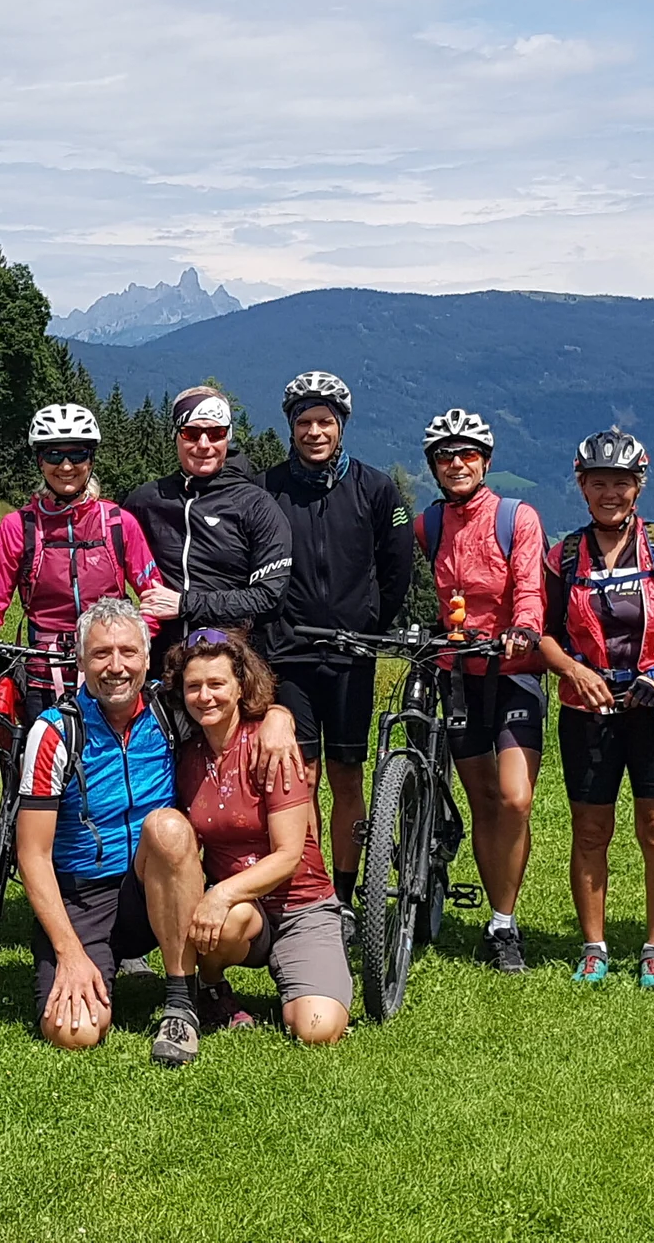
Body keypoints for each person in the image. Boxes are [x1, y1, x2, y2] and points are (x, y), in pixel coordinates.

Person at [537, 428, 654, 991]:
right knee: (590, 830)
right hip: (587, 706)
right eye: (599, 483)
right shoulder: (563, 555)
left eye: (620, 482)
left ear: (637, 487)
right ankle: (594, 949)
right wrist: (575, 671)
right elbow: (541, 633)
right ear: (582, 486)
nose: (609, 492)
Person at [14, 597, 209, 1067]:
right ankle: (98, 962)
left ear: (147, 658)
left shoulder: (169, 709)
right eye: (101, 654)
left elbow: (242, 711)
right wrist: (69, 953)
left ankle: (182, 1000)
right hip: (80, 896)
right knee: (74, 1032)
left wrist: (281, 721)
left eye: (128, 652)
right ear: (80, 661)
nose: (116, 667)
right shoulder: (56, 731)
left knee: (166, 827)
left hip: (151, 884)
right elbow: (33, 856)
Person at [261, 371, 415, 937]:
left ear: (342, 426)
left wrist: (373, 621)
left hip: (354, 653)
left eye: (325, 422)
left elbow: (398, 566)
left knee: (348, 775)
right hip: (291, 651)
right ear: (291, 427)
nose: (314, 431)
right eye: (304, 422)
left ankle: (345, 895)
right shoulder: (268, 487)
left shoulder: (376, 489)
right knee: (298, 774)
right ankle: (309, 888)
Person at [168, 628, 352, 1043]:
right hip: (243, 912)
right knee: (231, 918)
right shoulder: (186, 756)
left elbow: (289, 855)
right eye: (194, 686)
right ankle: (212, 987)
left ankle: (301, 978)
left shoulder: (271, 746)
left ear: (240, 687)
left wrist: (218, 894)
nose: (205, 696)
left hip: (302, 906)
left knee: (317, 1029)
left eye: (217, 684)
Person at [413, 408, 547, 974]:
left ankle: (504, 919)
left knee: (515, 798)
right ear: (434, 467)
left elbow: (530, 586)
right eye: (446, 456)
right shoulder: (429, 525)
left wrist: (524, 629)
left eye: (468, 453)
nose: (457, 463)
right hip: (457, 676)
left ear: (486, 461)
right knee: (484, 800)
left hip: (512, 669)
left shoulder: (517, 517)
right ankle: (500, 923)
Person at [0, 404, 163, 721]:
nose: (66, 466)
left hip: (110, 673)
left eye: (77, 455)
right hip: (44, 673)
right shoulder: (19, 527)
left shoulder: (118, 524)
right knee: (34, 763)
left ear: (91, 460)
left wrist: (133, 641)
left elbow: (154, 596)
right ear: (39, 460)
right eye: (54, 455)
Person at [124, 386, 295, 673]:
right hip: (160, 667)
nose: (204, 444)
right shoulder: (146, 500)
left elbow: (269, 598)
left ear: (228, 436)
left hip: (232, 669)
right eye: (191, 434)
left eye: (215, 434)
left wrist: (185, 604)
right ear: (176, 435)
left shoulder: (256, 505)